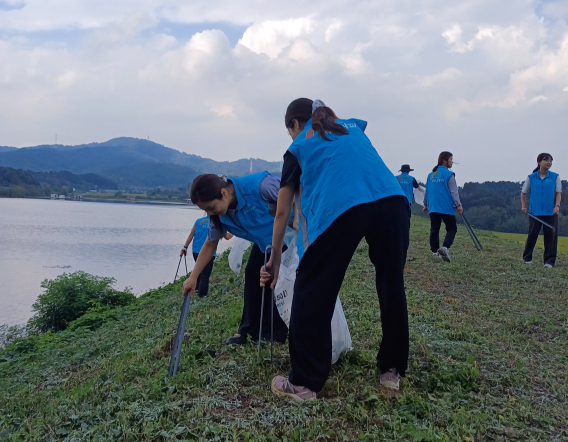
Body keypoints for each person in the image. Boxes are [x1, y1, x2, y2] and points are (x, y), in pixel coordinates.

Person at [261, 98, 411, 401]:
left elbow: (282, 211)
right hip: (392, 201)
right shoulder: (350, 128)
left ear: (293, 125)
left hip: (343, 206)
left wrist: (275, 259)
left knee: (313, 287)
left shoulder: (298, 146)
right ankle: (391, 371)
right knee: (391, 283)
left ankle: (304, 383)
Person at [183, 172, 289, 345]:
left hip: (289, 237)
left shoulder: (260, 186)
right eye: (206, 210)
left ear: (224, 193)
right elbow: (210, 244)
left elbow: (295, 195)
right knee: (252, 275)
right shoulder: (219, 215)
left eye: (210, 207)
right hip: (265, 243)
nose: (210, 213)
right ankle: (247, 330)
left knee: (275, 281)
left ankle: (275, 333)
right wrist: (193, 277)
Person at [521, 153, 561, 268]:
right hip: (535, 213)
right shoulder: (531, 177)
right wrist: (524, 206)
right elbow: (523, 193)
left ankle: (549, 262)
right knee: (532, 235)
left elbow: (558, 192)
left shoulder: (555, 176)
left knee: (551, 237)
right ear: (539, 162)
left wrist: (557, 206)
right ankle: (527, 258)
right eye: (546, 160)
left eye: (550, 161)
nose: (549, 163)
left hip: (551, 212)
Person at [423, 152, 463, 262]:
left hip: (434, 207)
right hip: (446, 207)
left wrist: (425, 204)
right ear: (445, 161)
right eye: (451, 159)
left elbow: (427, 191)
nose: (452, 162)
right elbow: (454, 192)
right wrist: (458, 205)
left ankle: (435, 252)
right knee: (452, 228)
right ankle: (445, 247)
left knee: (434, 229)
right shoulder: (449, 174)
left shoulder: (430, 175)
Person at [180, 216, 231, 297]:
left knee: (199, 269)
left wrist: (185, 247)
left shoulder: (198, 221)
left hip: (196, 250)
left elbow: (191, 234)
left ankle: (196, 289)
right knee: (205, 274)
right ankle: (202, 295)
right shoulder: (216, 222)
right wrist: (235, 232)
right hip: (208, 252)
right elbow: (227, 237)